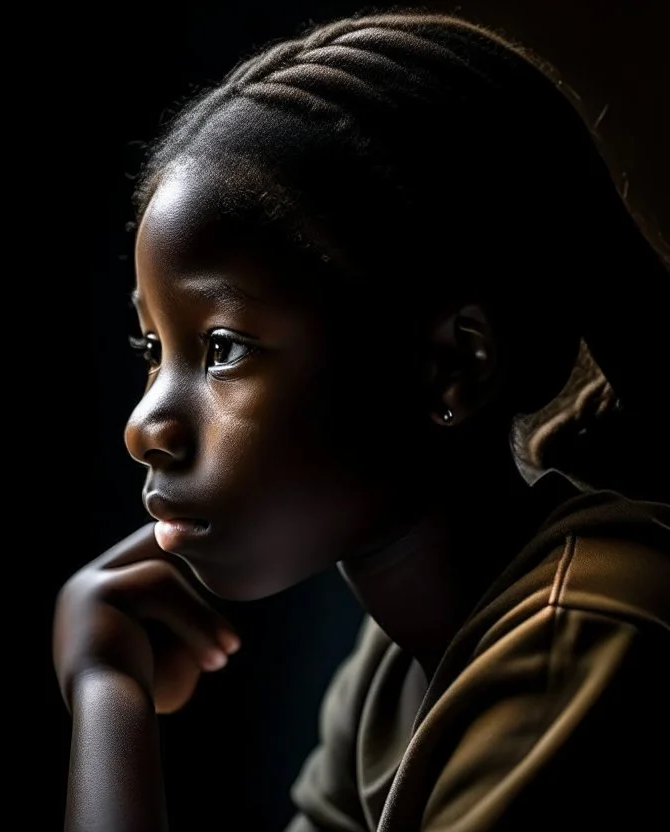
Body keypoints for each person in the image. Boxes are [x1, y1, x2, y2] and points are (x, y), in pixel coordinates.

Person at [52, 9, 670, 831]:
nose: (144, 426)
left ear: (455, 363)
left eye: (224, 348)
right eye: (152, 346)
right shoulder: (398, 659)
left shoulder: (578, 639)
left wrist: (105, 695)